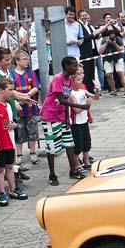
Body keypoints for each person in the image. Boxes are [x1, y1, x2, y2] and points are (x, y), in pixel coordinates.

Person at [40, 56, 90, 185]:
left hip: (61, 115)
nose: (76, 68)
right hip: (50, 115)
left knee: (69, 143)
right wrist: (81, 107)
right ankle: (52, 174)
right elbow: (61, 99)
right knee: (52, 146)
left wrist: (67, 117)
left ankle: (73, 170)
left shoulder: (69, 80)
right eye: (74, 66)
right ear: (67, 66)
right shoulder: (58, 79)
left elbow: (65, 101)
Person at [0, 78, 28, 206]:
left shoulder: (9, 105)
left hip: (9, 142)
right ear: (1, 90)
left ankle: (13, 189)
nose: (12, 92)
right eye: (10, 90)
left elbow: (11, 122)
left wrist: (14, 125)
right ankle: (1, 192)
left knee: (10, 166)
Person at [11, 49, 40, 165]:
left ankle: (33, 152)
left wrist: (28, 95)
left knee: (32, 130)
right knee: (19, 131)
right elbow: (11, 90)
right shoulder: (11, 74)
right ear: (17, 61)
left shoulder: (31, 73)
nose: (27, 61)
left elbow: (36, 86)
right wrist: (19, 99)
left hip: (30, 107)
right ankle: (19, 154)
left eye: (27, 59)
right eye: (24, 59)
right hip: (18, 109)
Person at [69, 65, 101, 170]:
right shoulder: (71, 94)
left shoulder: (82, 89)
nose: (80, 79)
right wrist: (86, 105)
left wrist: (97, 89)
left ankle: (86, 161)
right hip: (75, 122)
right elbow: (76, 110)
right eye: (78, 78)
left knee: (86, 141)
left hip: (84, 121)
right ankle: (76, 163)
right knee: (77, 144)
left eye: (81, 76)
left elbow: (95, 97)